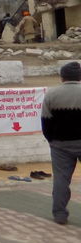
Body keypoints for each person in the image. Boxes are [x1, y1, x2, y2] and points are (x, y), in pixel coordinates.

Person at [41, 61, 81, 225]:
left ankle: (60, 214)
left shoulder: (51, 94)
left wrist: (52, 140)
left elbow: (45, 122)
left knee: (61, 180)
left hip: (60, 145)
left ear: (62, 76)